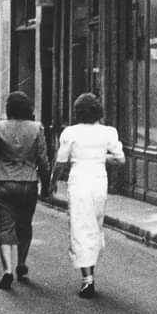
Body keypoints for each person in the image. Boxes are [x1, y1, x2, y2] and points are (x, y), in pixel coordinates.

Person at [55, 92, 125, 298]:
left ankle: (88, 279)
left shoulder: (70, 132)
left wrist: (50, 182)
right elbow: (120, 160)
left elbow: (61, 162)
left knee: (80, 225)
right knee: (95, 224)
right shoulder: (108, 132)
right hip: (98, 182)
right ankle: (90, 269)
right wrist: (101, 157)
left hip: (79, 182)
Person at [0, 91, 50, 290]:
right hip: (28, 184)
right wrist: (46, 186)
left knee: (4, 226)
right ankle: (21, 263)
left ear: (8, 109)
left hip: (3, 182)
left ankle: (8, 270)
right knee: (25, 225)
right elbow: (43, 160)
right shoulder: (37, 129)